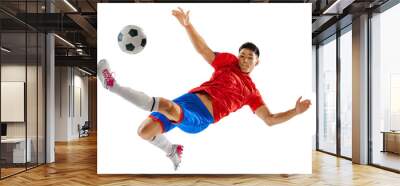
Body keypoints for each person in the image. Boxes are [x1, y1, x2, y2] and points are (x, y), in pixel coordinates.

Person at [97, 7, 311, 170]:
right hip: (188, 99)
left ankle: (112, 85)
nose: (244, 60)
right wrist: (188, 25)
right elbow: (203, 50)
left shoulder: (251, 92)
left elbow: (270, 119)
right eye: (242, 55)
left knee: (166, 106)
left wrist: (296, 111)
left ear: (257, 62)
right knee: (143, 132)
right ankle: (171, 150)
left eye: (250, 57)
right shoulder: (228, 62)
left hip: (201, 117)